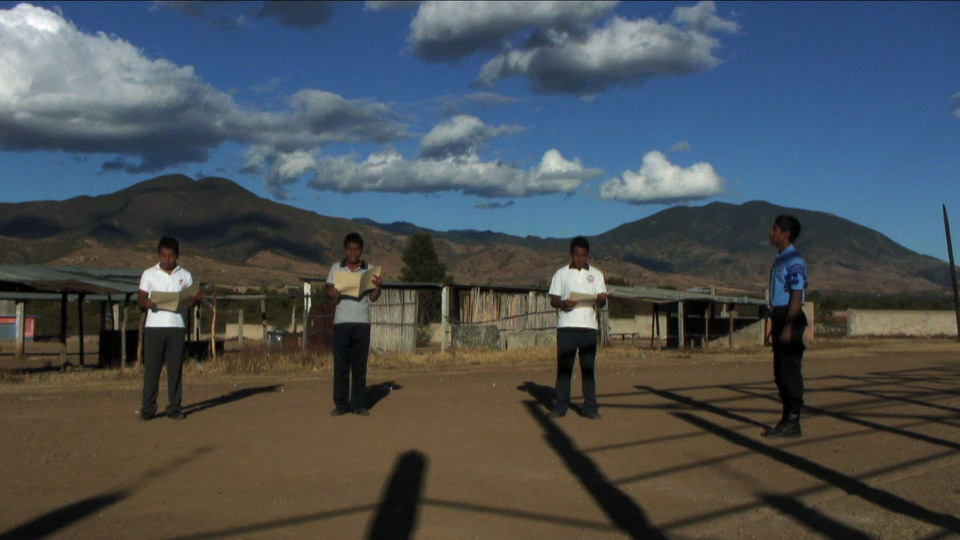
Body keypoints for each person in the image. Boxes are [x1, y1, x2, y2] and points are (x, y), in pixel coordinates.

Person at [137, 237, 203, 421]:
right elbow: (141, 297)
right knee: (152, 369)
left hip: (177, 326)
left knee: (175, 370)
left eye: (171, 256)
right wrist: (146, 303)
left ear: (177, 256)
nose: (167, 259)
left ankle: (174, 407)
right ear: (158, 255)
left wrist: (195, 299)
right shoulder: (149, 274)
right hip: (154, 327)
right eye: (163, 255)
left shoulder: (186, 276)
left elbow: (190, 301)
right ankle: (148, 409)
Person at [547, 236, 608, 419]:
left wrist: (601, 299)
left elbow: (601, 301)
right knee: (564, 368)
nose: (580, 259)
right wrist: (564, 303)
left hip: (588, 327)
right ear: (571, 254)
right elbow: (553, 300)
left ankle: (590, 407)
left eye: (583, 256)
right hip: (567, 327)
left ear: (588, 255)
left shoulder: (597, 275)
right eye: (576, 255)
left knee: (588, 369)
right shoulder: (561, 274)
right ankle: (560, 406)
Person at [326, 232, 383, 416]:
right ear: (345, 250)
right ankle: (341, 404)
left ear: (362, 250)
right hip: (341, 322)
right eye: (350, 249)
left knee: (359, 366)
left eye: (356, 249)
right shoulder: (336, 268)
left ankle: (358, 404)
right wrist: (332, 293)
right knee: (341, 365)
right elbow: (329, 292)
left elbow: (373, 298)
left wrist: (378, 286)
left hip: (362, 322)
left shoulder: (370, 270)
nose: (353, 253)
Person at [762, 215, 809, 438]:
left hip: (790, 316)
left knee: (789, 370)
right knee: (780, 372)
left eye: (775, 229)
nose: (771, 233)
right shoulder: (781, 259)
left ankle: (793, 422)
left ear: (786, 234)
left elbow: (796, 295)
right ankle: (786, 420)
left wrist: (788, 327)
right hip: (780, 316)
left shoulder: (794, 260)